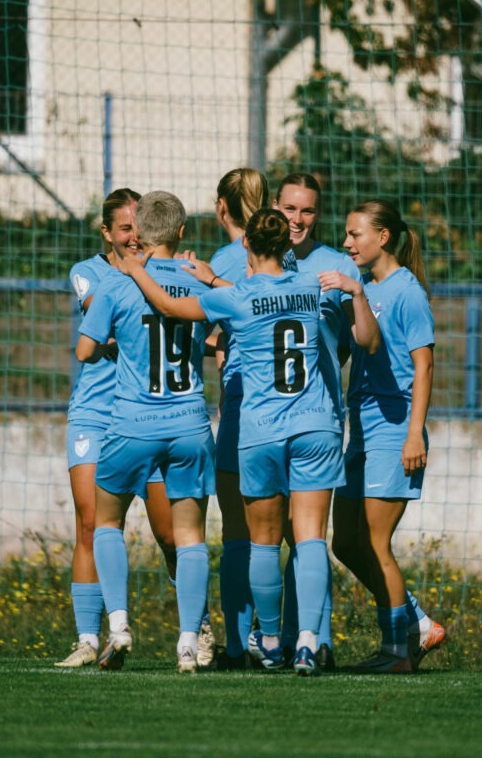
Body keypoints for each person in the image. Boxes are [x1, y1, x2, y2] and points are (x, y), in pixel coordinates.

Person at [120, 207, 379, 676]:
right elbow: (349, 332)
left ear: (246, 246)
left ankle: (272, 641)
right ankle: (307, 643)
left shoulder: (235, 297)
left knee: (262, 543)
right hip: (316, 425)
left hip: (260, 431)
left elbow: (171, 308)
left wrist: (139, 271)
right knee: (311, 540)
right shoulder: (311, 287)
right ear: (286, 246)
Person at [75, 191, 215, 673]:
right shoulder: (200, 280)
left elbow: (84, 352)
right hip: (190, 423)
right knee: (190, 537)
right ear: (181, 232)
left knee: (107, 521)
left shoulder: (115, 283)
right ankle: (187, 645)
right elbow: (221, 333)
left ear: (140, 232)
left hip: (134, 421)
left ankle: (118, 626)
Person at [319, 199, 447, 673]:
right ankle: (415, 623)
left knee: (376, 543)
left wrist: (415, 434)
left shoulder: (407, 292)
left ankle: (399, 652)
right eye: (347, 234)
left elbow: (424, 364)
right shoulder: (366, 288)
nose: (347, 242)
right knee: (345, 543)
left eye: (356, 234)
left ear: (384, 238)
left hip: (395, 431)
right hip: (363, 430)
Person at [55, 189, 181, 669]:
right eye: (124, 228)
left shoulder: (165, 275)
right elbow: (99, 326)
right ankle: (91, 638)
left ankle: (199, 627)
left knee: (171, 533)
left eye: (139, 227)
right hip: (94, 414)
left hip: (149, 415)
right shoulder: (90, 273)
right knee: (90, 524)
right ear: (106, 232)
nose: (133, 237)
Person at [270, 172, 364, 671]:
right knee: (277, 532)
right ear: (274, 207)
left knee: (307, 533)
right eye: (290, 209)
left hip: (315, 416)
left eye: (307, 211)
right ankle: (280, 639)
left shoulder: (337, 266)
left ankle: (313, 640)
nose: (298, 220)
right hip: (262, 419)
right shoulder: (256, 258)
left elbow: (352, 341)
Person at [203, 167, 270, 668]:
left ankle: (233, 643)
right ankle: (295, 637)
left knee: (235, 533)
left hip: (241, 403)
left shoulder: (223, 260)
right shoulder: (282, 257)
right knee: (292, 534)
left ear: (221, 208)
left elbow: (199, 330)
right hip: (293, 409)